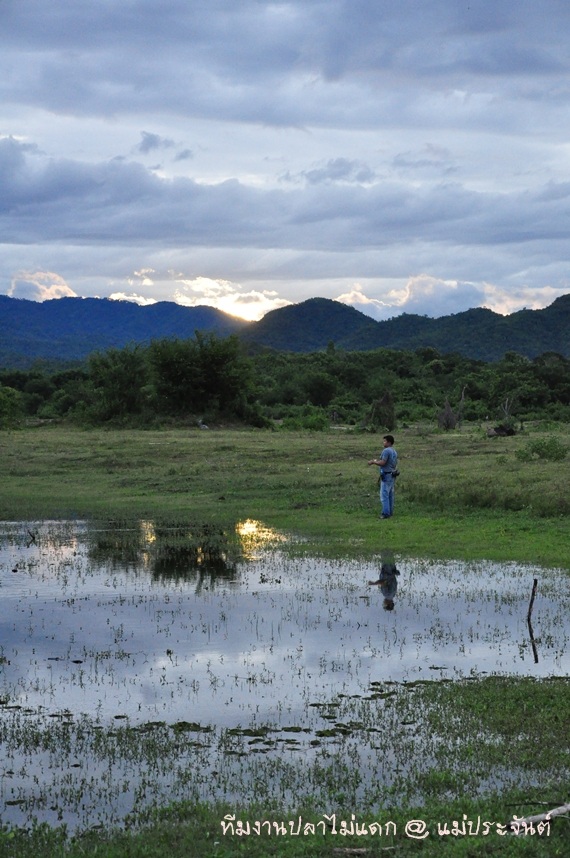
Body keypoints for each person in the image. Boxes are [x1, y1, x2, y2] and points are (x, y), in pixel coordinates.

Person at [368, 434, 398, 519]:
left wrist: (373, 462)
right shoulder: (394, 451)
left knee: (384, 495)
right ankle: (390, 512)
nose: (383, 442)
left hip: (386, 475)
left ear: (389, 442)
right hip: (392, 475)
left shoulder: (386, 451)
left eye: (384, 441)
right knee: (390, 495)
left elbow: (383, 462)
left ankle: (385, 513)